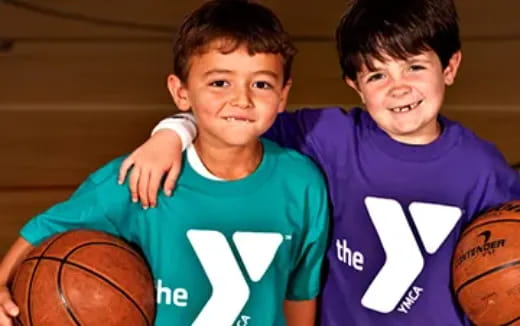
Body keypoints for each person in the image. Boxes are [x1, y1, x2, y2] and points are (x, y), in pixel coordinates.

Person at [117, 0, 520, 325]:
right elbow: (235, 117)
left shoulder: (482, 169)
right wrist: (173, 132)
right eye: (377, 75)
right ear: (355, 85)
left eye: (415, 67)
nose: (399, 88)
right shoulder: (328, 137)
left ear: (449, 68)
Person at [0, 1, 330, 325]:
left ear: (283, 95)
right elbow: (49, 226)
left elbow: (299, 293)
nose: (242, 99)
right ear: (181, 91)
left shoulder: (302, 184)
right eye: (219, 83)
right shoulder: (144, 174)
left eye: (261, 84)